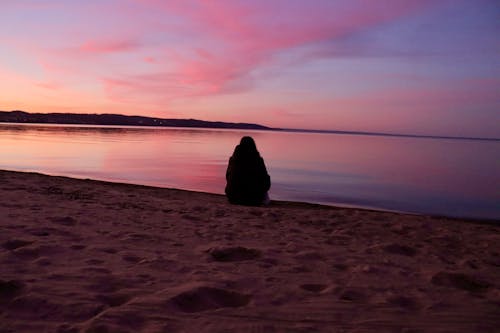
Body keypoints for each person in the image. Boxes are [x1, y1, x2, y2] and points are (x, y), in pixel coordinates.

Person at [225, 136, 271, 205]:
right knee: (264, 184)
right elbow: (265, 180)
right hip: (253, 199)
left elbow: (227, 176)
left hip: (233, 198)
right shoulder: (258, 160)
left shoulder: (233, 160)